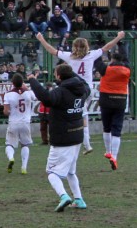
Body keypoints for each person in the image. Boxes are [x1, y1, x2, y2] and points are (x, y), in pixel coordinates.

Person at [36, 31, 124, 154]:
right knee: (82, 112)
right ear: (86, 46)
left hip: (74, 88)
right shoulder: (91, 55)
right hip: (88, 88)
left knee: (79, 113)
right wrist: (118, 37)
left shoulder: (69, 56)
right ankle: (86, 143)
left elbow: (52, 51)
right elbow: (107, 47)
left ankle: (86, 144)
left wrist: (41, 39)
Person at [27, 64, 90, 211]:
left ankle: (64, 196)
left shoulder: (60, 92)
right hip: (77, 136)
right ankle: (79, 199)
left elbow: (46, 98)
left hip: (62, 138)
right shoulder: (82, 89)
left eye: (56, 74)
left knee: (52, 173)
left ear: (59, 76)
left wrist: (32, 80)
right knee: (70, 171)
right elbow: (86, 83)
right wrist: (70, 71)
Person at [94, 51, 130, 170]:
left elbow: (96, 60)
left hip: (106, 100)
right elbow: (127, 60)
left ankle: (108, 151)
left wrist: (100, 49)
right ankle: (114, 156)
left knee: (107, 128)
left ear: (112, 59)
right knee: (117, 129)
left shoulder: (106, 69)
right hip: (120, 100)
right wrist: (120, 45)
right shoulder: (127, 70)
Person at [3, 73, 36, 174]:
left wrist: (10, 111)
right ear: (22, 82)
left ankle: (11, 158)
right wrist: (26, 87)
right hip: (25, 122)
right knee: (25, 144)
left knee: (9, 144)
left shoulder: (8, 94)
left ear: (12, 83)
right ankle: (24, 167)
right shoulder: (28, 93)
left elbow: (6, 111)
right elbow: (35, 98)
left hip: (13, 122)